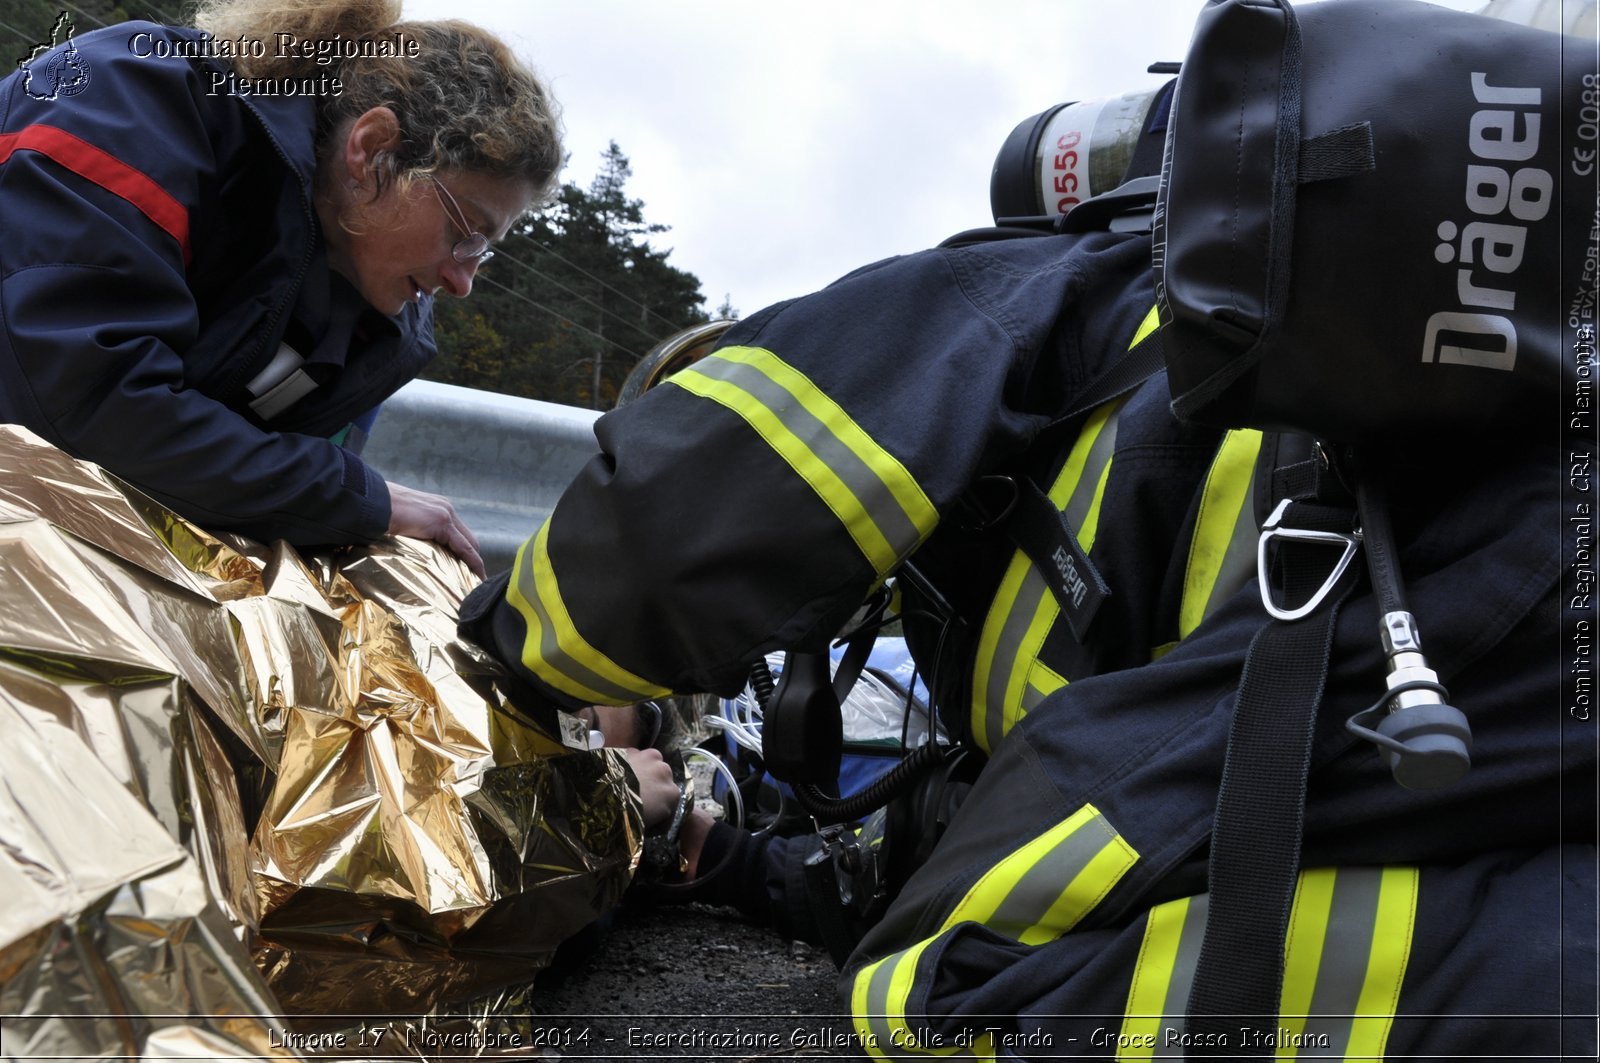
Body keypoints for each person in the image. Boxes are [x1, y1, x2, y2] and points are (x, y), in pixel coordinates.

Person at [459, 213, 1594, 1057]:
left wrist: (511, 656)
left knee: (939, 1001)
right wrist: (711, 852)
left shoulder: (955, 311)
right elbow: (963, 831)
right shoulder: (978, 564)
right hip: (1438, 613)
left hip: (1457, 574)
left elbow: (689, 503)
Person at [0, 0, 557, 576]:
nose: (462, 282)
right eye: (465, 234)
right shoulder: (131, 99)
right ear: (371, 151)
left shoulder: (374, 330)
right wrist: (359, 497)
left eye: (483, 254)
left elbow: (258, 503)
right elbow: (83, 404)